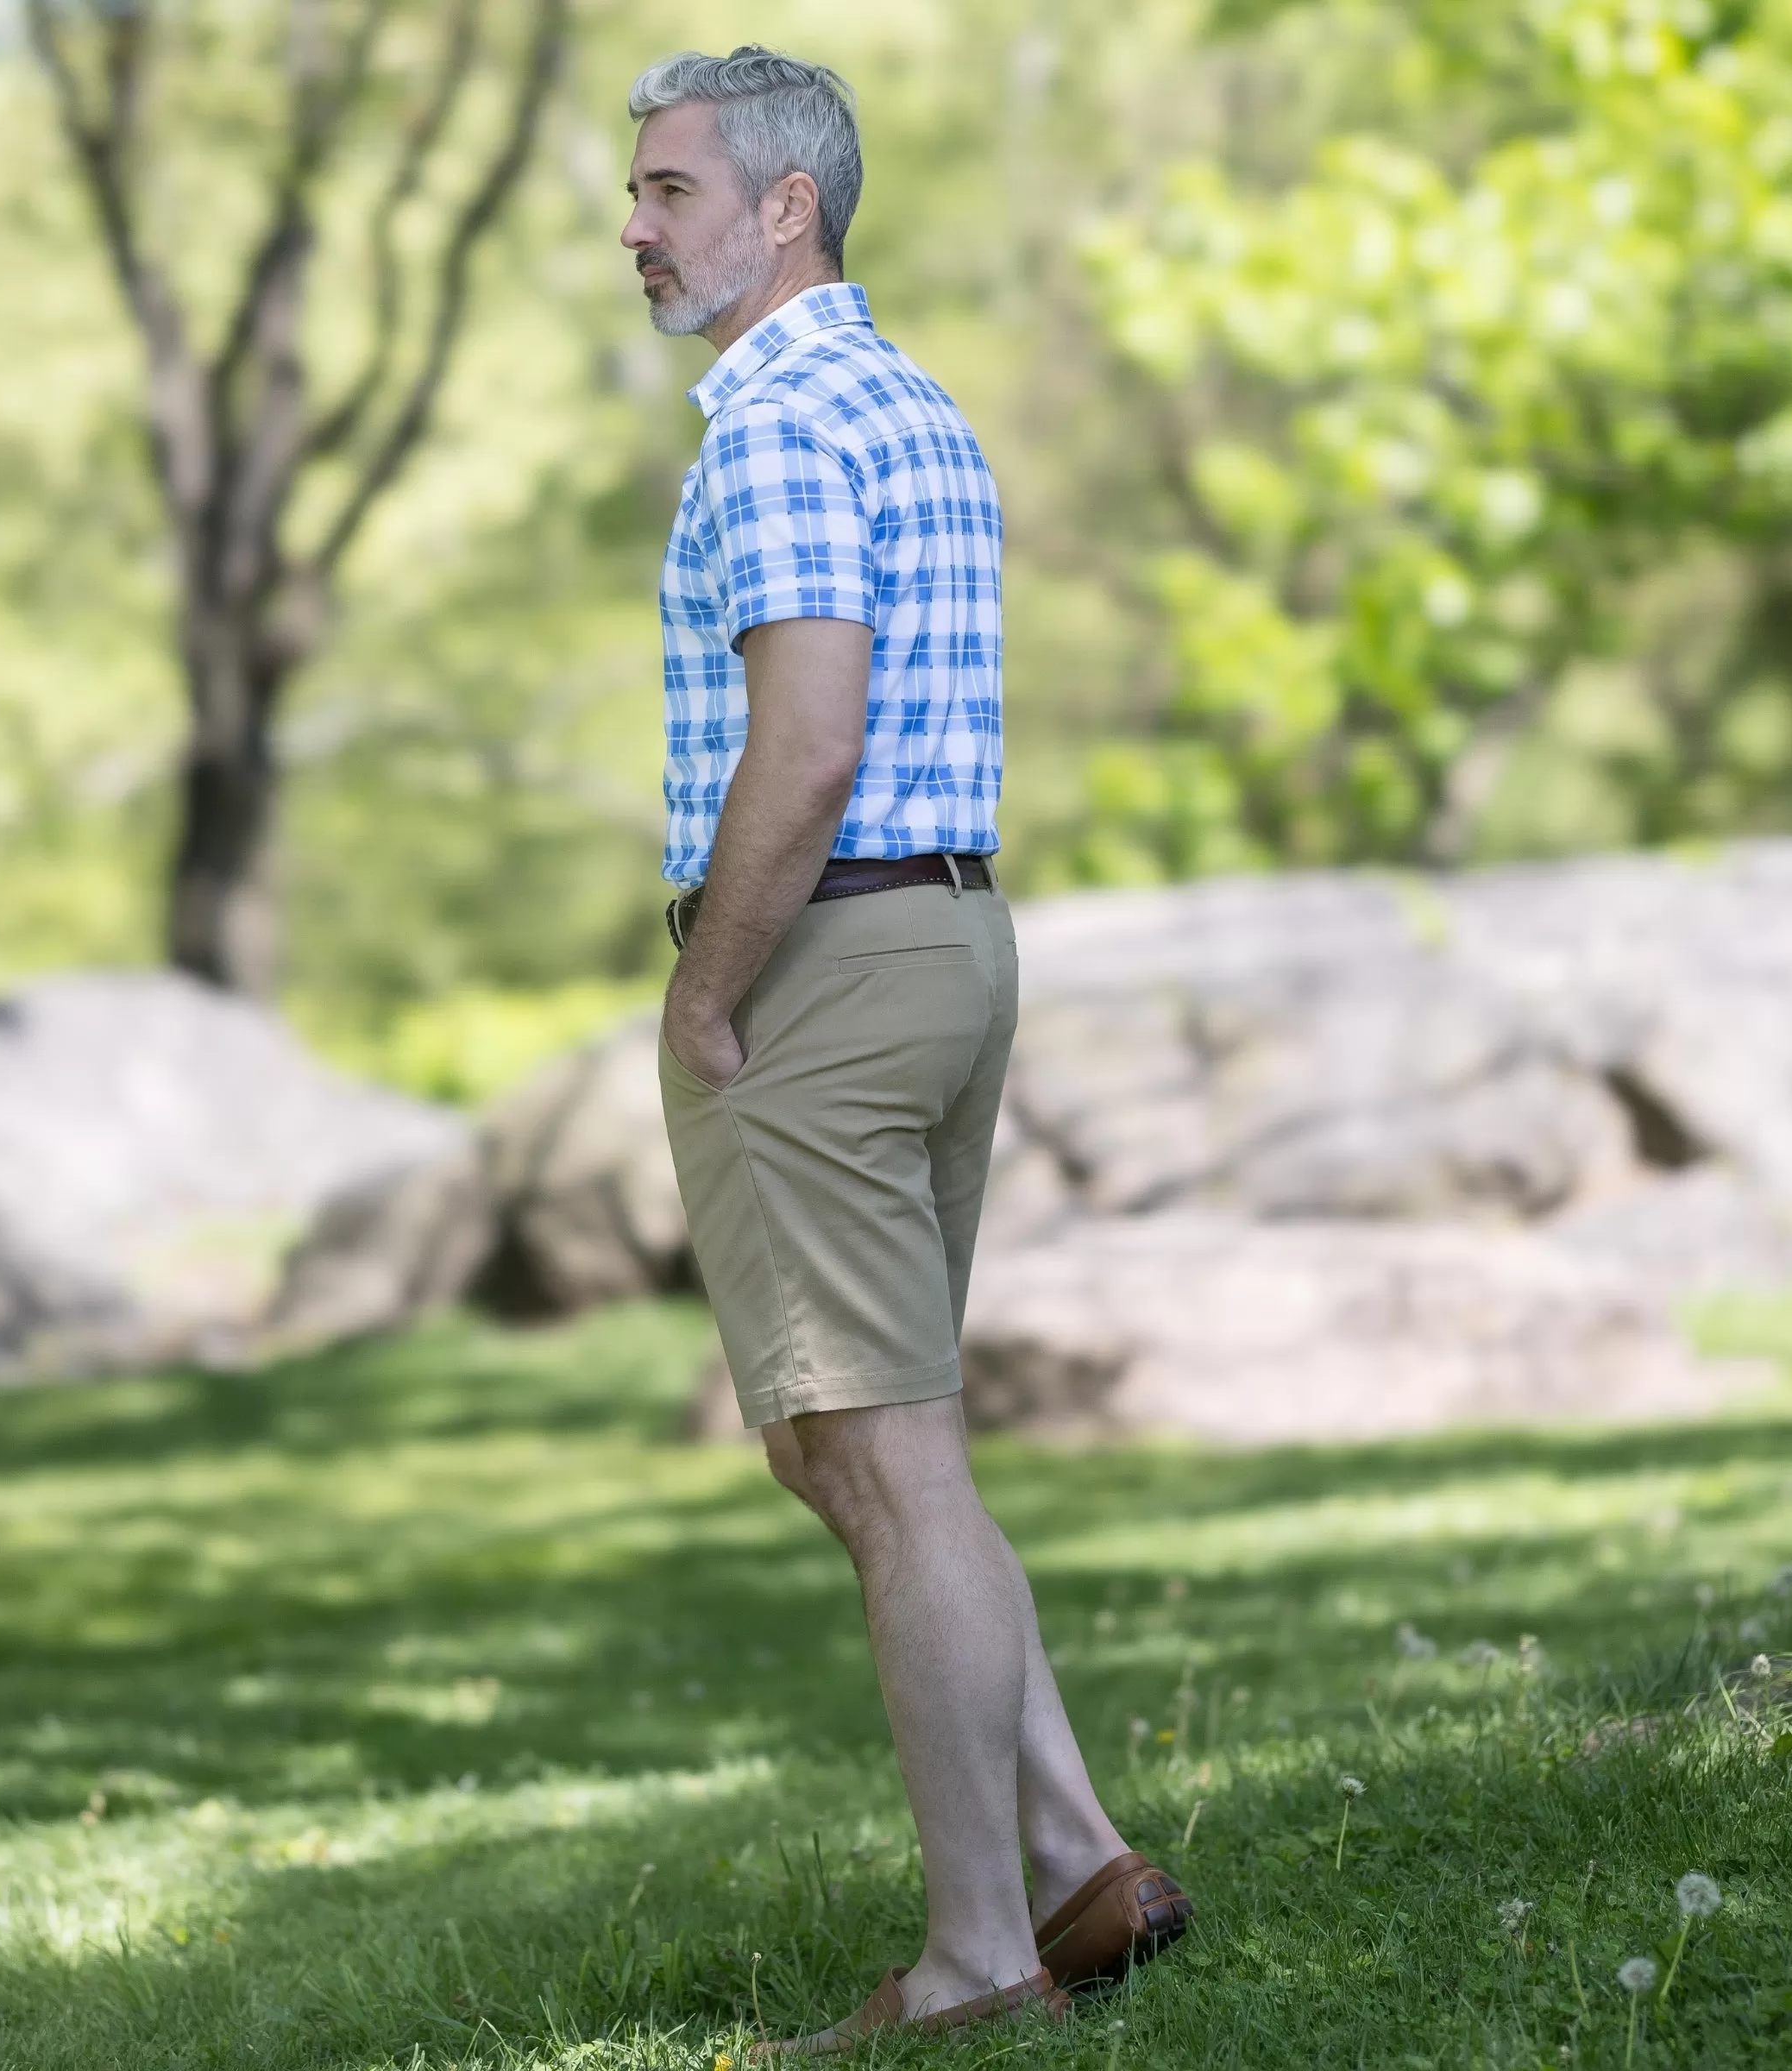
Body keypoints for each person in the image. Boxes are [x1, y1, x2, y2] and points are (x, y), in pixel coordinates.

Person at [621, 46, 1191, 2055]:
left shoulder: (776, 423)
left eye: (672, 191)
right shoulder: (914, 404)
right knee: (852, 1437)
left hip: (826, 965)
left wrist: (709, 993)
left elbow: (811, 737)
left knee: (884, 1448)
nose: (637, 226)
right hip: (949, 942)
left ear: (788, 207)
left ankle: (975, 1959)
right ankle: (1077, 1858)